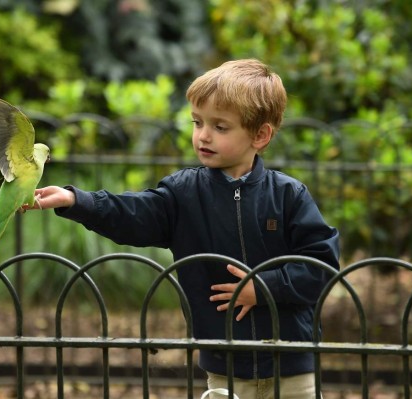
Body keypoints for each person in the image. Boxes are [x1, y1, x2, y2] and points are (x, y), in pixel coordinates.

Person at [23, 59, 340, 398]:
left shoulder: (288, 195)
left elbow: (321, 264)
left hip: (292, 364)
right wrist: (77, 200)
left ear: (260, 135)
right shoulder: (183, 193)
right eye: (197, 122)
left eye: (220, 127)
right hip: (225, 365)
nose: (203, 135)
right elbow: (133, 214)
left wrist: (263, 288)